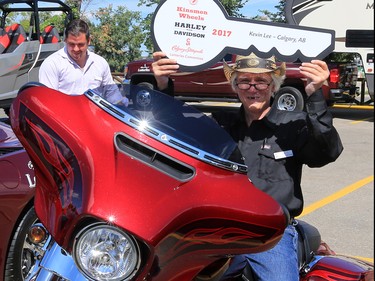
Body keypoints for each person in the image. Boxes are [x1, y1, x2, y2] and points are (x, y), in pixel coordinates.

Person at [152, 51, 343, 280]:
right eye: (244, 81)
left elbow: (326, 152)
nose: (253, 89)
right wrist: (163, 86)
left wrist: (315, 94)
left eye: (261, 81)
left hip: (269, 234)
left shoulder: (294, 124)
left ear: (273, 87)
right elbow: (172, 132)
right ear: (235, 87)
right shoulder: (221, 124)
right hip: (218, 229)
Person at [39, 19, 128, 105]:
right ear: (65, 40)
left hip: (95, 117)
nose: (76, 49)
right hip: (65, 118)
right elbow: (49, 103)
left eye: (81, 44)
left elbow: (112, 94)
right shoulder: (52, 64)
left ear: (88, 41)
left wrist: (119, 102)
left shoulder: (100, 63)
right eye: (71, 44)